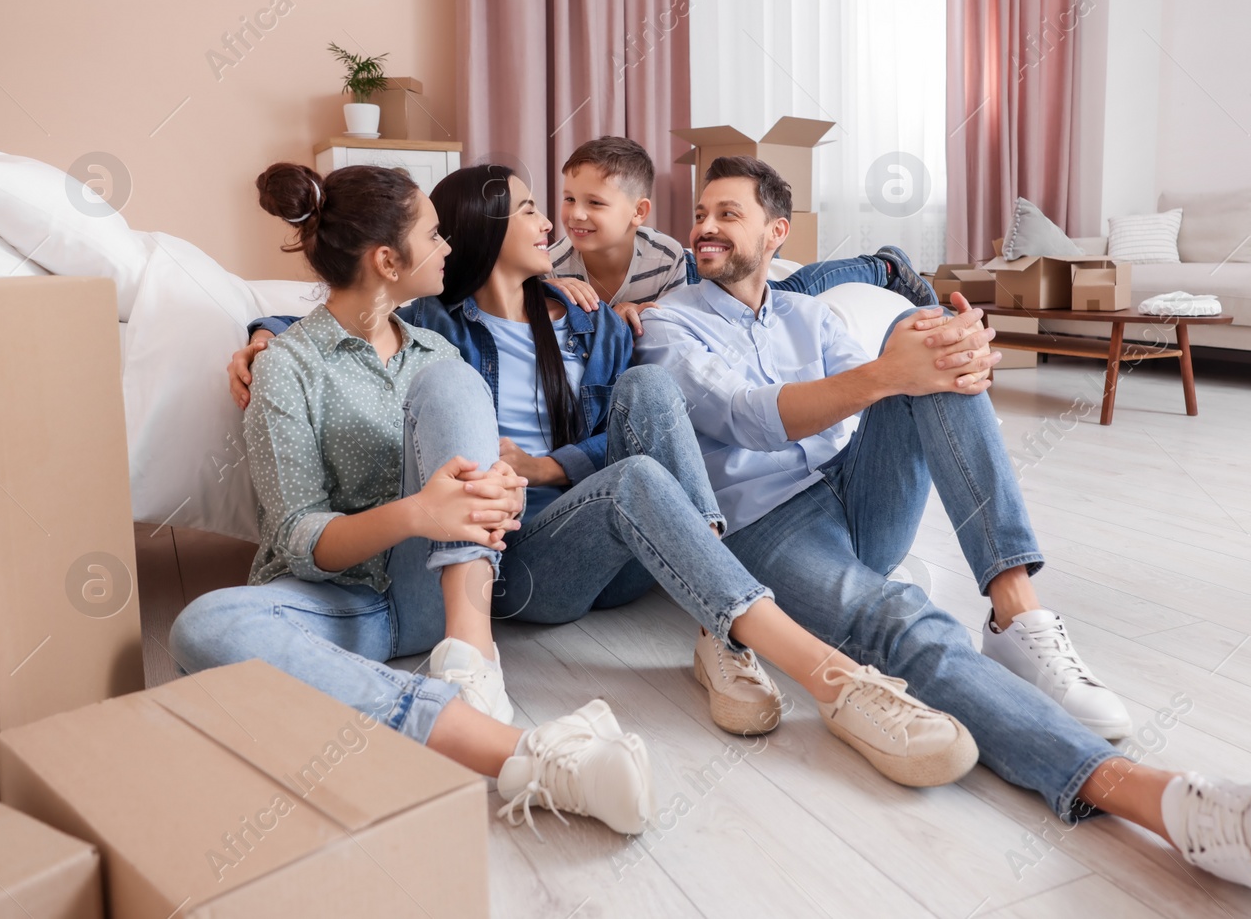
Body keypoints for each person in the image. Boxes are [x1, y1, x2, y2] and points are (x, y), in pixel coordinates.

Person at [634, 155, 1251, 912]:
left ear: (776, 233)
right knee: (905, 623)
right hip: (766, 530)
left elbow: (876, 399)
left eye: (727, 213)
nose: (703, 227)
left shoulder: (809, 315)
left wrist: (950, 355)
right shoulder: (673, 322)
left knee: (927, 336)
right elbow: (744, 416)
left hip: (854, 497)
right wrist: (892, 374)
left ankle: (1015, 609)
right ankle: (1170, 804)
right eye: (700, 213)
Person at [229, 162, 978, 792]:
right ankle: (495, 680)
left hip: (583, 526)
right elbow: (347, 321)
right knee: (559, 440)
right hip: (507, 551)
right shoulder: (440, 333)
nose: (555, 222)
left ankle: (749, 644)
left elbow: (617, 424)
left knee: (644, 403)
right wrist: (264, 332)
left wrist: (545, 466)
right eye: (535, 207)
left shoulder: (577, 320)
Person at [171, 163, 656, 836]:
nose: (450, 245)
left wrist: (504, 490)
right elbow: (296, 538)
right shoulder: (287, 366)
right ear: (387, 260)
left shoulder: (437, 351)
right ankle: (531, 756)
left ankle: (470, 652)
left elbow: (473, 475)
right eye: (435, 234)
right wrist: (419, 512)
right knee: (203, 626)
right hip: (339, 599)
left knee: (454, 385)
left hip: (435, 594)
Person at [543, 135, 936, 336]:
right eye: (568, 199)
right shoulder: (554, 266)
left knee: (786, 291)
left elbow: (674, 315)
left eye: (595, 203)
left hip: (695, 276)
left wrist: (628, 312)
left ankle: (881, 265)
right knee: (784, 281)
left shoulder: (663, 255)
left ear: (639, 213)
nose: (575, 214)